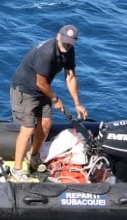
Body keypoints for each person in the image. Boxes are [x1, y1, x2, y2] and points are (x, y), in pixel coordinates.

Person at [8, 23, 86, 179]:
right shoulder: (47, 53)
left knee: (46, 123)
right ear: (58, 36)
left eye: (70, 43)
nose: (66, 45)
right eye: (64, 41)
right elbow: (40, 83)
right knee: (28, 128)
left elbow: (70, 76)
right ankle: (17, 169)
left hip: (43, 89)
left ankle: (34, 155)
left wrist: (77, 103)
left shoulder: (69, 50)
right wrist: (55, 99)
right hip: (25, 89)